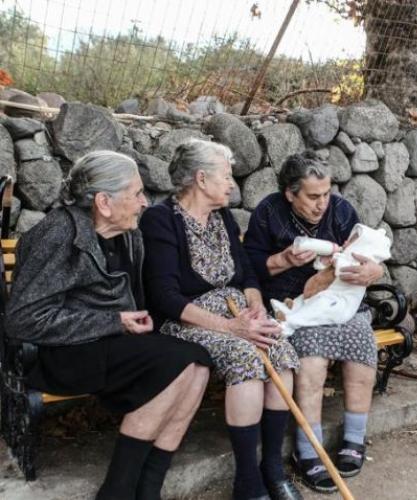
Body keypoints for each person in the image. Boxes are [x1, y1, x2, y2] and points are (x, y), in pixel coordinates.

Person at [5, 151, 212, 500]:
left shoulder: (126, 233)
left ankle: (148, 489)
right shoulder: (57, 234)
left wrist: (130, 319)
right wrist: (113, 320)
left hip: (108, 342)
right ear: (103, 201)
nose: (144, 203)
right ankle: (117, 492)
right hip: (60, 353)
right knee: (175, 364)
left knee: (197, 362)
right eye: (136, 194)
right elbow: (22, 320)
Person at [139, 139, 301, 500]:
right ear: (200, 178)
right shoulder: (160, 219)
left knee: (279, 351)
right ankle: (247, 481)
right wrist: (232, 328)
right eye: (226, 176)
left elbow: (246, 274)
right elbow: (164, 297)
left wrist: (255, 307)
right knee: (244, 356)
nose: (232, 184)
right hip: (187, 322)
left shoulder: (222, 217)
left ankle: (272, 469)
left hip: (235, 312)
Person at [244, 152, 384, 493]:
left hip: (341, 302)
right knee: (311, 357)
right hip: (293, 308)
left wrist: (372, 271)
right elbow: (248, 267)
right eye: (312, 196)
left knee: (361, 344)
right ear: (290, 194)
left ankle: (354, 438)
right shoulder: (269, 212)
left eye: (326, 193)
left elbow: (371, 254)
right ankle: (309, 451)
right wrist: (284, 259)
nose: (322, 203)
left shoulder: (341, 211)